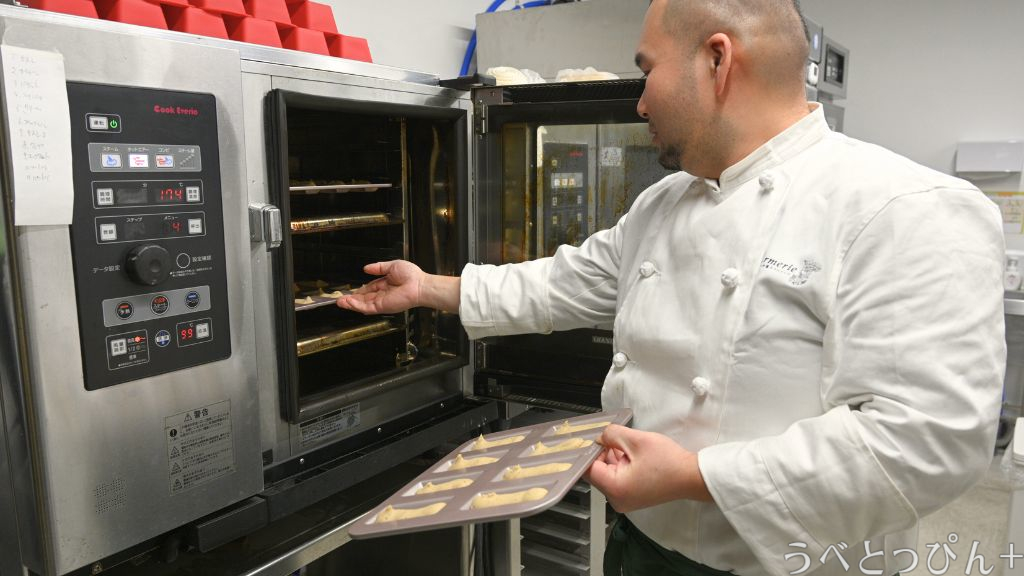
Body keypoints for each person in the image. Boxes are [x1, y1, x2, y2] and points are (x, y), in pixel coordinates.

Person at [338, 0, 1006, 574]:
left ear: (717, 61)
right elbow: (567, 281)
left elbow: (923, 443)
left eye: (646, 69)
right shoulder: (664, 202)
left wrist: (694, 477)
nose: (638, 100)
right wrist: (430, 288)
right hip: (640, 545)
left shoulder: (903, 209)